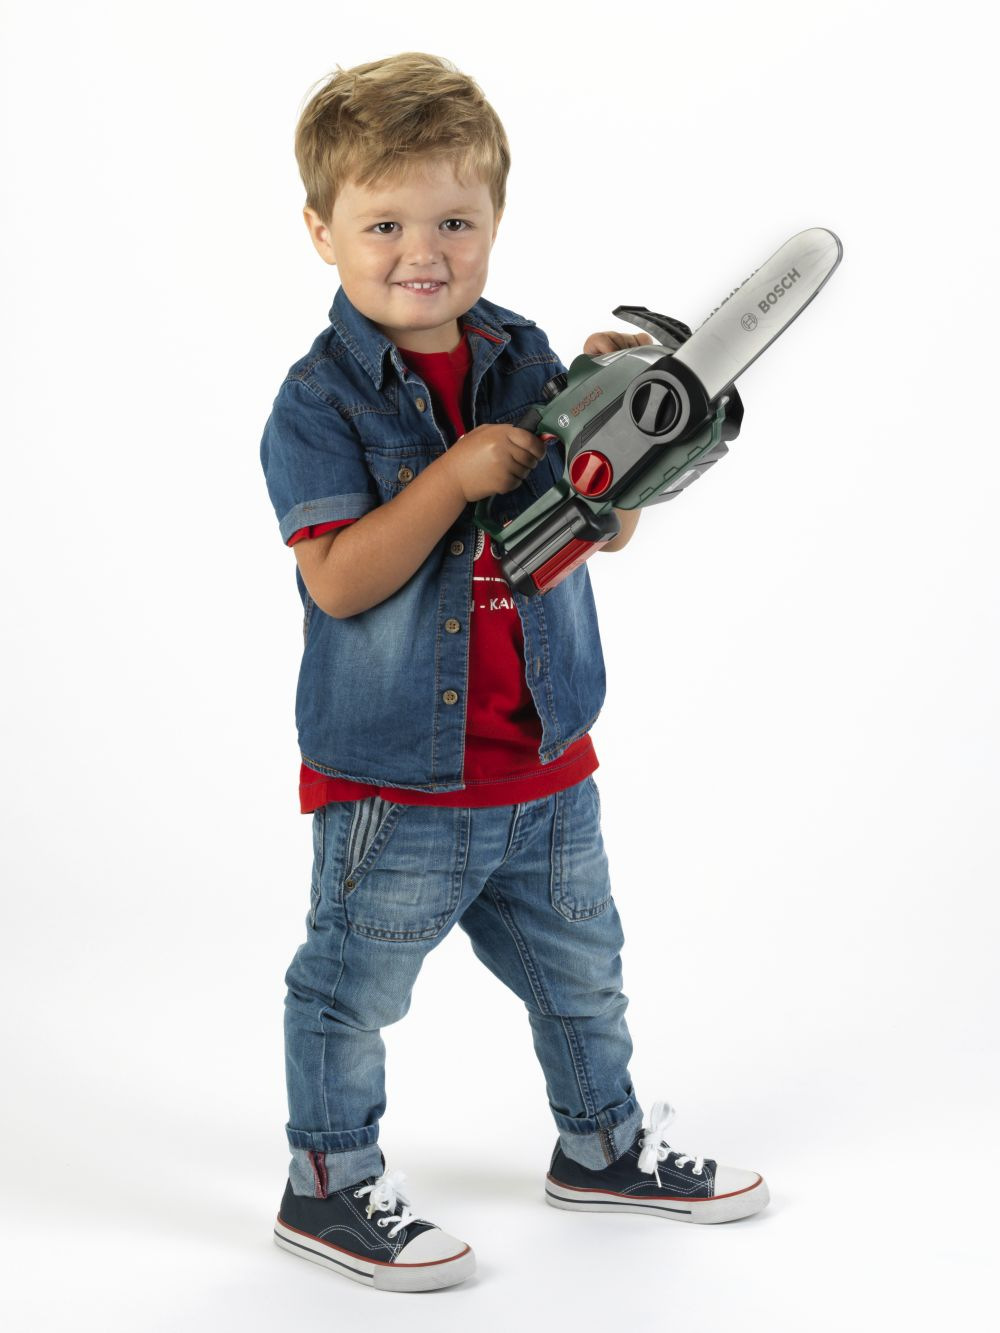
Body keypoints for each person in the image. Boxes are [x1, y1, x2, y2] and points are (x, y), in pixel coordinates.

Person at [259, 51, 768, 1294]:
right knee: (349, 992)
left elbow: (608, 528)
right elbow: (339, 582)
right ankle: (325, 1184)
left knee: (584, 977)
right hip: (399, 787)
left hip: (544, 767)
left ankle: (602, 1146)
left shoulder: (523, 355)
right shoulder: (318, 402)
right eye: (384, 224)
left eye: (453, 221)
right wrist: (450, 477)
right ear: (322, 230)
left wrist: (620, 423)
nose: (421, 252)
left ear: (492, 219)